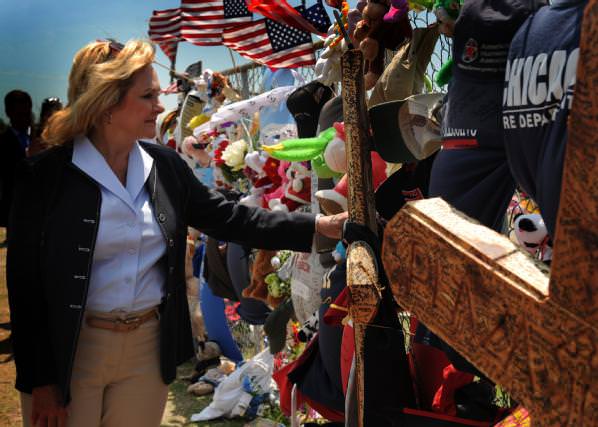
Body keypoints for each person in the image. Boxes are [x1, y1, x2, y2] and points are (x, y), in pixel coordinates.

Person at [6, 39, 345, 427]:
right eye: (148, 95)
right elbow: (24, 284)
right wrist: (42, 382)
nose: (160, 106)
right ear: (106, 103)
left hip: (146, 353)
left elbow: (232, 219)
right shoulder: (44, 177)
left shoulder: (164, 166)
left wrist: (317, 227)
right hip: (70, 350)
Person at [0, 90, 33, 230]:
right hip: (11, 209)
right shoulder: (2, 142)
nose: (24, 119)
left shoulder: (37, 139)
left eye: (27, 114)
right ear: (8, 113)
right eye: (19, 115)